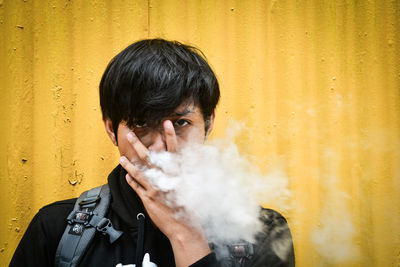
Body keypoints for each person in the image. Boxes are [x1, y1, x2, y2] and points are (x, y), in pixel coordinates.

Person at [10, 39, 295, 267]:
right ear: (111, 130)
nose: (160, 146)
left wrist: (185, 234)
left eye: (180, 123)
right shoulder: (57, 228)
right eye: (141, 124)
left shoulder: (261, 233)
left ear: (208, 126)